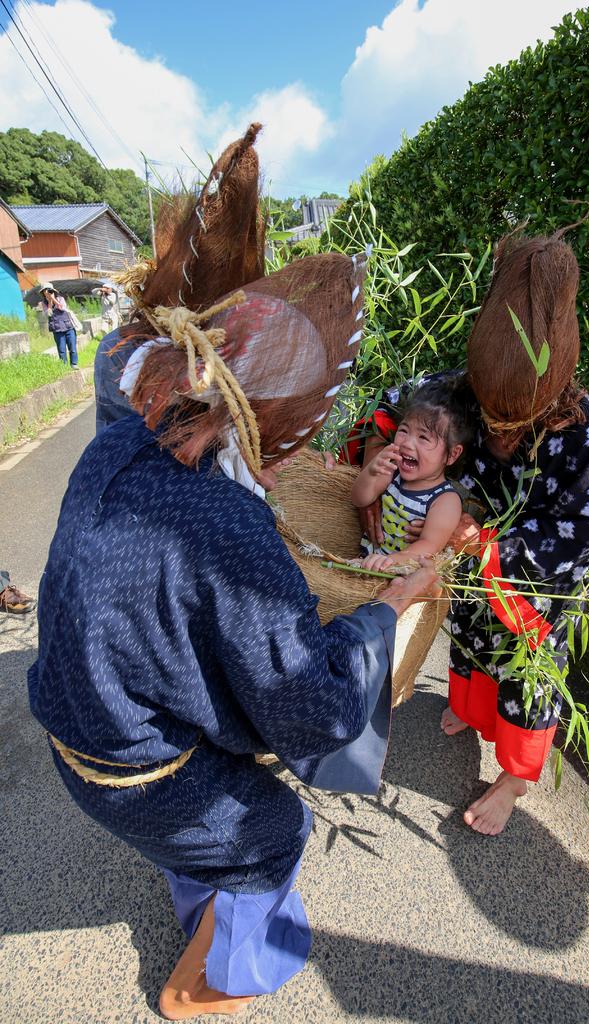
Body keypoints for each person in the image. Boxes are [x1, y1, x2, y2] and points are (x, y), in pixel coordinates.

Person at [28, 127, 438, 1021]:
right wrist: (384, 613)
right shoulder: (231, 526)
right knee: (273, 826)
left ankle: (199, 898)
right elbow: (309, 705)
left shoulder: (118, 447)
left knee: (215, 779)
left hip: (76, 717)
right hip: (128, 766)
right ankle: (206, 986)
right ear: (264, 424)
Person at [358, 228, 589, 837]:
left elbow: (586, 528)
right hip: (469, 573)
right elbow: (388, 409)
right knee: (472, 641)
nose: (500, 433)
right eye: (490, 419)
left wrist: (491, 545)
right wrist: (377, 468)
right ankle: (472, 714)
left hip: (530, 592)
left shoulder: (588, 432)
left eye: (517, 422)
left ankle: (515, 777)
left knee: (525, 673)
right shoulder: (458, 391)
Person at [353, 375, 468, 571]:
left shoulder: (445, 500)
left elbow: (429, 545)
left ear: (452, 454)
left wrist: (392, 561)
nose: (407, 443)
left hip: (397, 575)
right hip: (364, 563)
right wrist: (371, 471)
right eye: (404, 430)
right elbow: (359, 499)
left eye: (423, 437)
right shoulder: (392, 471)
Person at [39, 283, 78, 367]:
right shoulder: (43, 303)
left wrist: (53, 299)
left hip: (68, 326)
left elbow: (62, 308)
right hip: (57, 329)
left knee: (73, 348)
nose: (48, 292)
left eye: (50, 290)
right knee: (61, 350)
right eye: (46, 291)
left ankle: (74, 364)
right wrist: (49, 302)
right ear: (43, 293)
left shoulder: (60, 299)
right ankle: (64, 366)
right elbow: (48, 314)